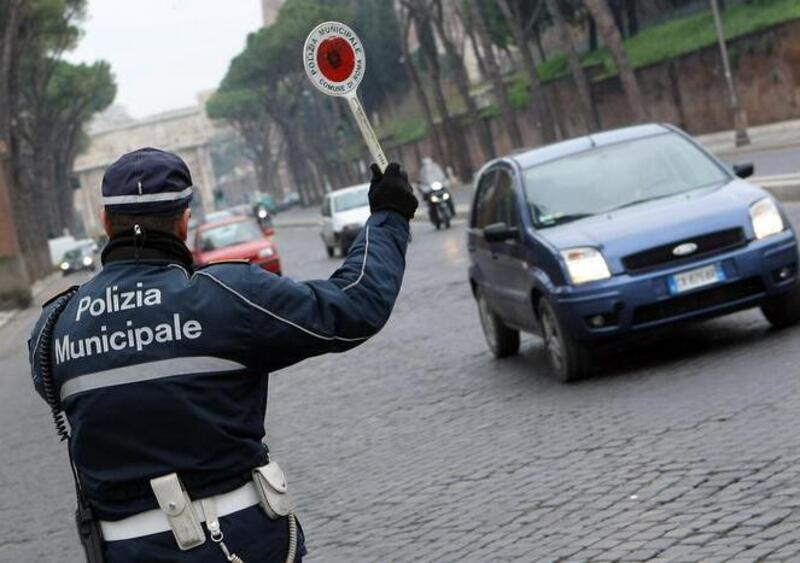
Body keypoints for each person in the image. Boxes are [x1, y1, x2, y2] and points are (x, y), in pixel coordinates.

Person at [28, 147, 418, 562]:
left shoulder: (52, 327)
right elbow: (355, 304)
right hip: (239, 542)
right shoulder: (230, 296)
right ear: (184, 221)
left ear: (106, 223)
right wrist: (388, 217)